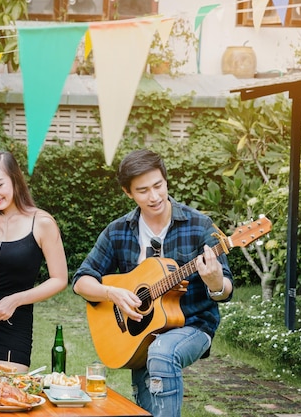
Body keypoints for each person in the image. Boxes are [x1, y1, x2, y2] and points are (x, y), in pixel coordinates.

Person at [72, 149, 233, 417]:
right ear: (128, 193)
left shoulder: (199, 225)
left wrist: (215, 282)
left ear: (166, 181)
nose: (154, 196)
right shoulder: (118, 231)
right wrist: (112, 293)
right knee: (147, 407)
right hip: (141, 332)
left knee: (161, 352)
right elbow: (81, 281)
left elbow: (225, 290)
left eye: (158, 185)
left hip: (193, 324)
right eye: (143, 190)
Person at [0, 150, 68, 378]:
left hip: (13, 326)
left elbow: (59, 279)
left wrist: (16, 300)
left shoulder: (42, 222)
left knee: (6, 404)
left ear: (15, 180)